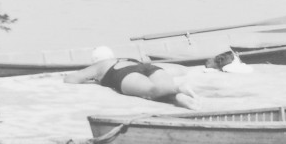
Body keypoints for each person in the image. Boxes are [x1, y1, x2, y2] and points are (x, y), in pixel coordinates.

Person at [63, 46, 197, 109]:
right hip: (148, 67)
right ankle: (178, 95)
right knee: (162, 90)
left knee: (150, 91)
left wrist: (94, 78)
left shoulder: (100, 65)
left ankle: (178, 88)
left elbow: (71, 79)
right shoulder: (126, 58)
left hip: (124, 73)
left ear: (95, 60)